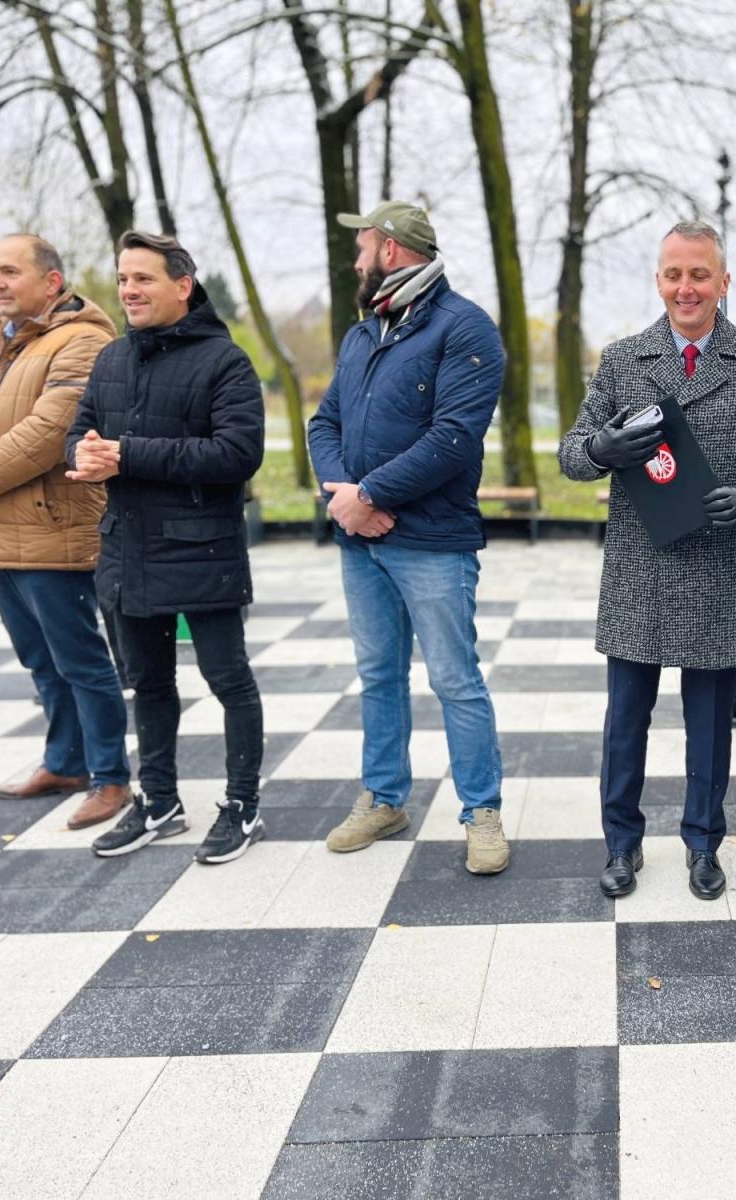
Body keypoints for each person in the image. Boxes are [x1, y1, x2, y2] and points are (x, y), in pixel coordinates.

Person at [559, 221, 736, 901]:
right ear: (659, 280)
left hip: (719, 568)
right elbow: (573, 452)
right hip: (640, 571)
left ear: (723, 282)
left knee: (709, 728)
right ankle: (621, 843)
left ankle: (703, 842)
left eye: (700, 274)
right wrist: (603, 451)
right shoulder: (621, 359)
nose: (685, 287)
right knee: (624, 725)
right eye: (674, 274)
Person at [307, 201, 510, 874]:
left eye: (362, 246)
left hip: (432, 542)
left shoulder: (465, 327)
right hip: (361, 542)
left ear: (390, 250)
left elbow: (453, 439)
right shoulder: (363, 334)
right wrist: (347, 500)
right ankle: (384, 798)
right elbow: (323, 425)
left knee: (455, 679)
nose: (356, 259)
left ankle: (481, 812)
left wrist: (369, 496)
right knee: (378, 676)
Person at [66, 231, 267, 865]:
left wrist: (126, 454)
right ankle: (158, 801)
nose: (128, 290)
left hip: (201, 552)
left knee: (228, 680)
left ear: (183, 285)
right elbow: (80, 428)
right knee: (148, 686)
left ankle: (242, 807)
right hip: (127, 552)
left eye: (143, 279)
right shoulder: (111, 359)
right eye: (123, 279)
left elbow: (237, 455)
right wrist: (81, 453)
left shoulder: (225, 362)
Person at [0, 234, 132, 830]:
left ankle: (110, 777)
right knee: (39, 659)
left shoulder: (85, 340)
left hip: (52, 528)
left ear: (52, 282)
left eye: (10, 271)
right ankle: (65, 761)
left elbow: (48, 432)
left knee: (80, 660)